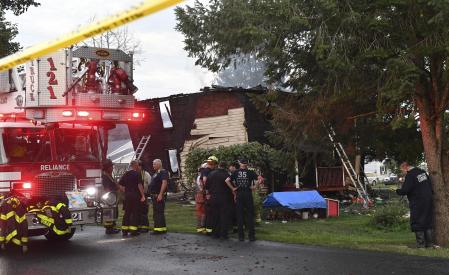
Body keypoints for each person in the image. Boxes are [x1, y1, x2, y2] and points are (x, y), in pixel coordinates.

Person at [396, 162, 436, 248]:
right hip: (428, 199)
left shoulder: (410, 175)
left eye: (402, 170)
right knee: (428, 219)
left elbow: (405, 190)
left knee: (417, 220)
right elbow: (430, 185)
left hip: (417, 200)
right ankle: (429, 244)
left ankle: (420, 244)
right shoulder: (422, 172)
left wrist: (397, 191)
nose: (402, 172)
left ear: (405, 167)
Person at [225, 159, 263, 242]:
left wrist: (233, 188)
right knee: (250, 214)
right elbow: (260, 179)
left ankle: (241, 237)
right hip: (248, 194)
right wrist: (254, 187)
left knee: (240, 215)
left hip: (239, 194)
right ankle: (251, 236)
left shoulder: (235, 172)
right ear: (246, 164)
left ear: (240, 164)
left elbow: (227, 180)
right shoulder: (251, 172)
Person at [119, 160, 146, 237]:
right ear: (134, 165)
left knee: (127, 212)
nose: (138, 166)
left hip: (127, 196)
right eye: (137, 165)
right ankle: (133, 231)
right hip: (135, 196)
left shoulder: (126, 174)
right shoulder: (137, 174)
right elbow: (139, 185)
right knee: (135, 213)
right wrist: (143, 195)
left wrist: (125, 191)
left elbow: (120, 184)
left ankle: (124, 230)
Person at [207, 162, 232, 239]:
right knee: (224, 216)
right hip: (224, 197)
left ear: (219, 166)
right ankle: (223, 234)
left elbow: (207, 186)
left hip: (213, 197)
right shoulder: (227, 175)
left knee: (215, 215)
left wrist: (208, 195)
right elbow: (230, 185)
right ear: (225, 167)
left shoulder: (211, 174)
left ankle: (215, 233)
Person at [102, 159, 122, 234]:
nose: (112, 168)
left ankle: (112, 227)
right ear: (108, 167)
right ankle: (109, 229)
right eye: (111, 166)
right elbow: (106, 188)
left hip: (113, 198)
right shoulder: (105, 176)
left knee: (114, 212)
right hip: (110, 198)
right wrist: (109, 199)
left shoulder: (108, 175)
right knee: (110, 213)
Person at [149, 159, 169, 234]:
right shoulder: (156, 173)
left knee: (158, 213)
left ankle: (158, 229)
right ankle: (162, 228)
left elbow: (164, 182)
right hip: (154, 195)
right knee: (157, 212)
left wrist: (160, 194)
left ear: (159, 164)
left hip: (158, 195)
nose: (153, 165)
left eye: (154, 164)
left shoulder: (163, 172)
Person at [202, 156, 218, 234]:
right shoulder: (206, 171)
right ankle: (209, 229)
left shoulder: (211, 170)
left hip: (212, 192)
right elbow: (205, 181)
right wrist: (207, 192)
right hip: (209, 193)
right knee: (209, 211)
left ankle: (209, 228)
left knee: (211, 211)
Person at [137, 161, 151, 233]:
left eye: (138, 166)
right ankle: (139, 226)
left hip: (144, 195)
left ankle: (145, 227)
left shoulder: (146, 174)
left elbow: (150, 184)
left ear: (141, 166)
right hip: (136, 196)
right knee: (137, 211)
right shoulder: (134, 174)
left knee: (144, 211)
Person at [195, 163, 208, 233]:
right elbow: (202, 188)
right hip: (202, 196)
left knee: (200, 212)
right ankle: (202, 227)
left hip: (199, 196)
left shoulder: (198, 177)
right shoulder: (201, 177)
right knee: (203, 212)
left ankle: (200, 227)